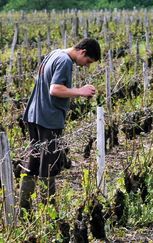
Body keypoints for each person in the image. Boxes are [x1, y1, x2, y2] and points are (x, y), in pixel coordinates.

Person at [19, 38, 101, 215]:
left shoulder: (55, 53)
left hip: (34, 115)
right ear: (83, 52)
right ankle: (49, 212)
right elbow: (55, 89)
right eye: (87, 62)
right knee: (49, 166)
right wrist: (80, 91)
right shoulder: (65, 61)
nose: (86, 66)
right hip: (48, 119)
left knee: (32, 163)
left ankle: (23, 210)